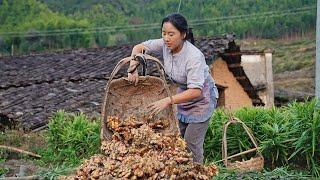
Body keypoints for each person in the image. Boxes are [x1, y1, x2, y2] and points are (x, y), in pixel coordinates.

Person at [127, 13, 218, 164]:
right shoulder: (164, 44)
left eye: (171, 34)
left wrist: (168, 101)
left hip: (202, 99)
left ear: (183, 34)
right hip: (184, 95)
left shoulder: (193, 56)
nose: (166, 38)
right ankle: (181, 171)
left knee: (191, 142)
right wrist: (133, 68)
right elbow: (139, 47)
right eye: (163, 33)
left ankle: (197, 172)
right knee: (178, 139)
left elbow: (196, 91)